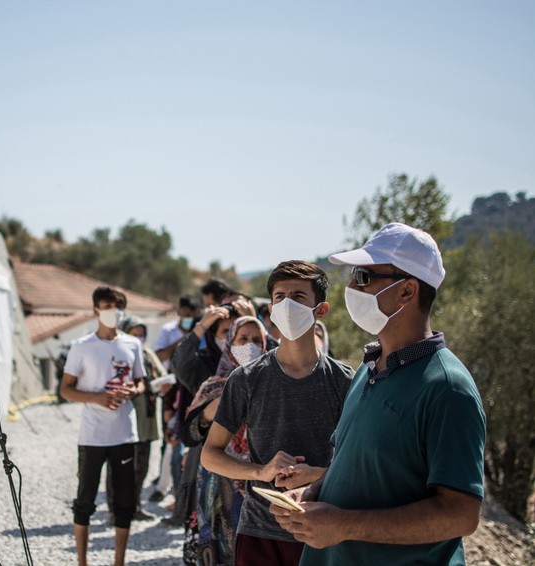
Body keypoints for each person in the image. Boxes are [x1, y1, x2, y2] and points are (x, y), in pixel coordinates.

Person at [271, 223, 486, 566]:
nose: (352, 287)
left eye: (364, 277)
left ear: (407, 291)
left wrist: (344, 525)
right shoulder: (369, 368)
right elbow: (358, 467)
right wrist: (312, 493)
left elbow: (460, 514)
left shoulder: (447, 388)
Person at [201, 260, 354, 566]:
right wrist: (260, 471)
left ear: (321, 310)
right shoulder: (246, 378)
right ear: (270, 311)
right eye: (280, 298)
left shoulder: (346, 381)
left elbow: (359, 463)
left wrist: (319, 476)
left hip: (323, 532)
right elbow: (210, 454)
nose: (287, 305)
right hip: (259, 531)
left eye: (298, 298)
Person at [60, 286, 147, 566]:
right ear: (96, 309)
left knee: (125, 501)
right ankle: (82, 561)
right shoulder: (81, 346)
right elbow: (65, 390)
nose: (113, 312)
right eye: (107, 306)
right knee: (85, 499)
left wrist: (133, 390)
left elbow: (140, 381)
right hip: (92, 436)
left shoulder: (132, 344)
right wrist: (97, 397)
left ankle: (118, 561)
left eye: (117, 306)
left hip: (125, 433)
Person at [181, 316, 268, 565]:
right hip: (218, 483)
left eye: (255, 340)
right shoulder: (214, 386)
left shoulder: (274, 382)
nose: (249, 346)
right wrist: (209, 412)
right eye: (243, 339)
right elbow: (189, 435)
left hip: (261, 479)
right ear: (230, 343)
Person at [106, 316, 165, 521]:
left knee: (141, 464)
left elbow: (160, 375)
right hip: (125, 418)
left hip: (146, 419)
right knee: (120, 465)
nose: (138, 339)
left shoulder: (147, 354)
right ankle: (115, 510)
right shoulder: (117, 354)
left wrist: (161, 385)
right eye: (134, 334)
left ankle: (135, 506)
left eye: (141, 335)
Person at [155, 296, 200, 371]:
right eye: (187, 315)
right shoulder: (167, 330)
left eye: (193, 316)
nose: (190, 318)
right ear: (179, 312)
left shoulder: (201, 331)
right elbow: (160, 357)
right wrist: (182, 342)